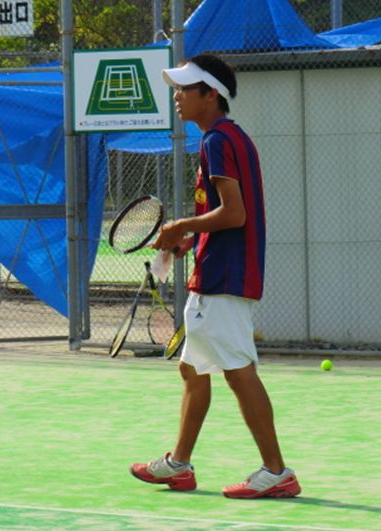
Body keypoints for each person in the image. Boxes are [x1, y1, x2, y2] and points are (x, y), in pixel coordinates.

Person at [130, 53, 300, 500]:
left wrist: (179, 226)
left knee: (239, 373)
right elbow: (227, 217)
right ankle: (179, 465)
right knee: (192, 370)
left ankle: (277, 471)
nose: (177, 97)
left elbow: (235, 213)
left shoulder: (217, 141)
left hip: (225, 279)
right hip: (218, 273)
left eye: (185, 89)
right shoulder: (230, 137)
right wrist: (192, 240)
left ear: (210, 94)